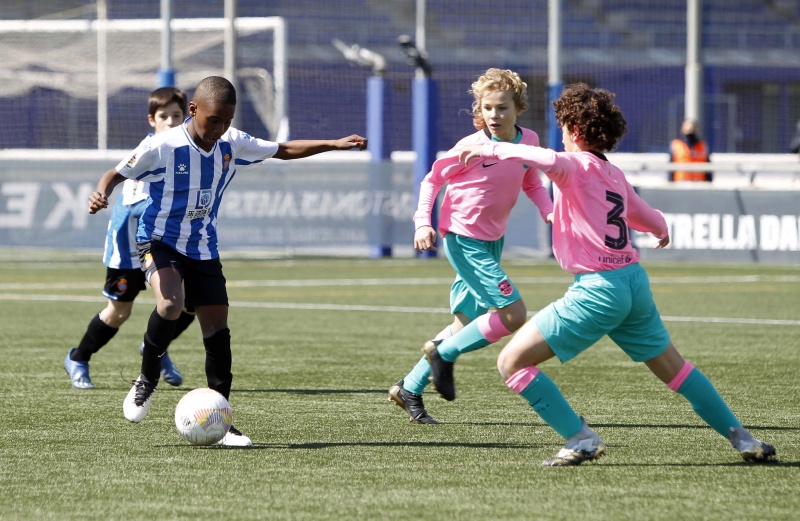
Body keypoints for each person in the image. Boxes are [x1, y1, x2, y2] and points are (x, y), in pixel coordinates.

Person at [458, 82, 776, 466]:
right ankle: (742, 437)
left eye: (563, 128)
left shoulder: (573, 165)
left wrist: (488, 146)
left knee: (511, 363)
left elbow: (540, 157)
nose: (560, 137)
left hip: (598, 290)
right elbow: (651, 217)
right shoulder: (614, 175)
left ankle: (580, 438)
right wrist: (661, 230)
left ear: (575, 132)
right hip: (633, 283)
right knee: (676, 371)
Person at [87, 76, 367, 446]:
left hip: (203, 247)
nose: (219, 129)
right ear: (193, 110)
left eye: (226, 122)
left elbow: (282, 149)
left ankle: (222, 421)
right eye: (213, 120)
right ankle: (146, 379)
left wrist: (332, 143)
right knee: (170, 304)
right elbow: (116, 173)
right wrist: (101, 193)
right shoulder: (164, 145)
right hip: (159, 239)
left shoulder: (232, 142)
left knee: (217, 332)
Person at [389, 68, 553, 424]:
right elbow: (432, 181)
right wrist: (422, 222)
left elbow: (532, 181)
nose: (495, 115)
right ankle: (442, 357)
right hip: (463, 239)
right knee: (513, 315)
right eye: (488, 108)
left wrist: (549, 211)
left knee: (465, 323)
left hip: (492, 240)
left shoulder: (530, 141)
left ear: (519, 108)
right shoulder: (470, 146)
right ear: (480, 108)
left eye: (503, 108)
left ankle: (409, 387)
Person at [64, 86, 194, 390]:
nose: (172, 121)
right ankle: (79, 357)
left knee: (188, 302)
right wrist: (101, 195)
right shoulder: (150, 150)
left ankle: (155, 349)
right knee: (119, 312)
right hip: (129, 245)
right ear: (152, 120)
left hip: (161, 242)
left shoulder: (188, 147)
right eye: (165, 116)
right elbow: (136, 204)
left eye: (177, 115)